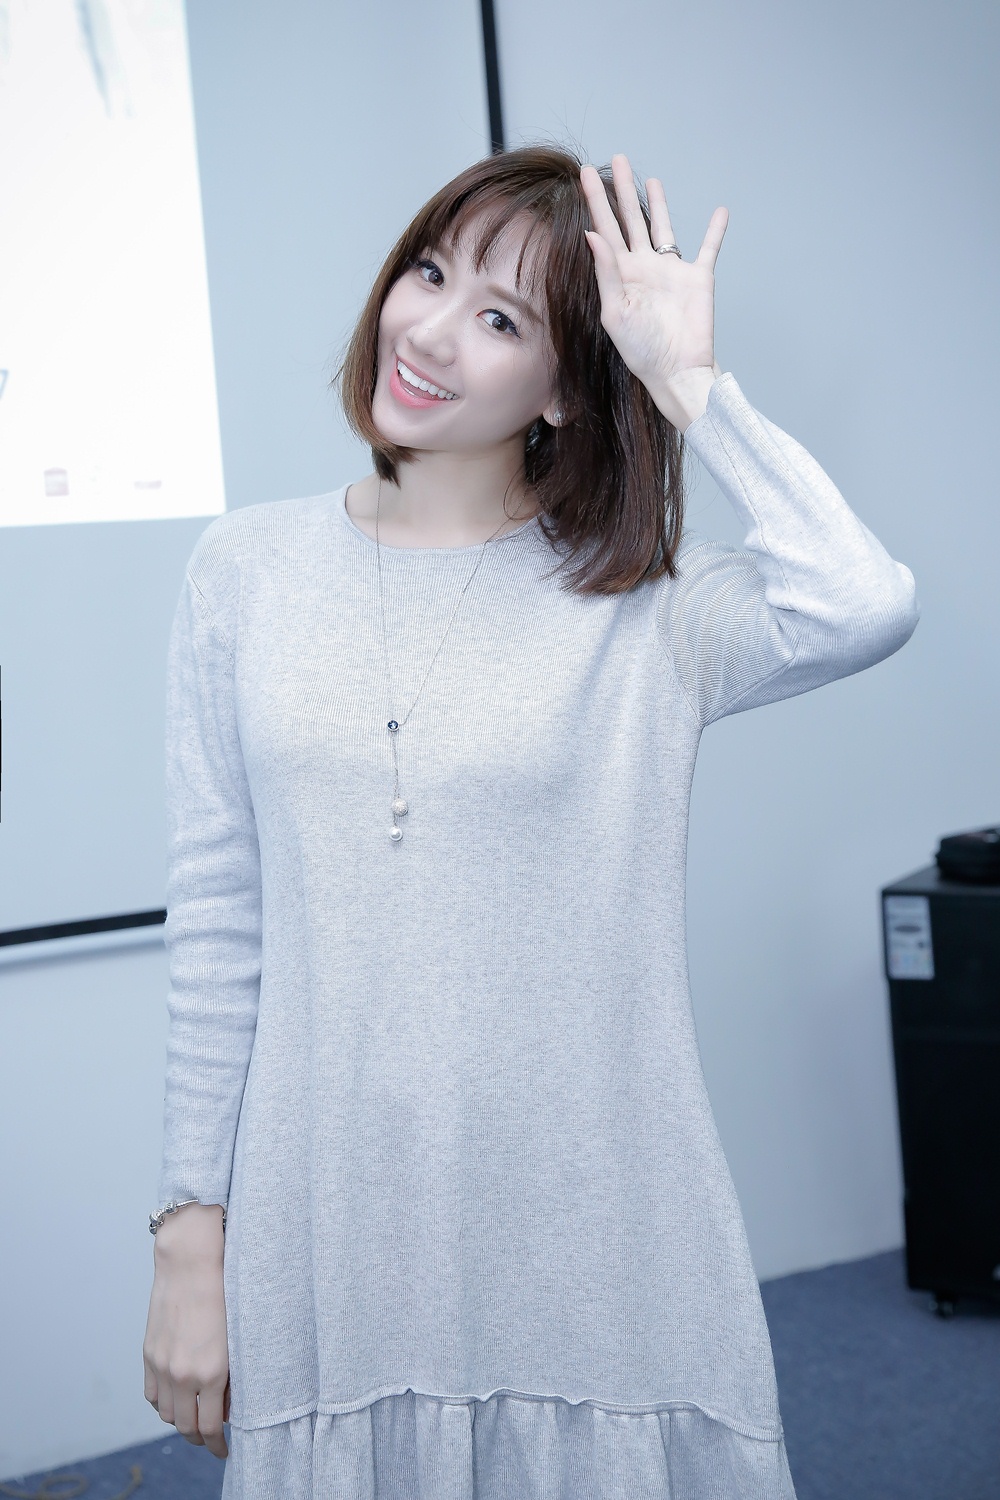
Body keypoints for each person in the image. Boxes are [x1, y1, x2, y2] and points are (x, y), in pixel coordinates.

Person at [142, 145, 918, 1499]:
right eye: (429, 272)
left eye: (501, 318)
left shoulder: (646, 611)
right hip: (334, 1223)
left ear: (563, 389)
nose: (430, 330)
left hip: (590, 1233)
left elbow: (862, 602)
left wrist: (691, 385)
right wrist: (187, 1237)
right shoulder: (243, 571)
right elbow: (219, 922)